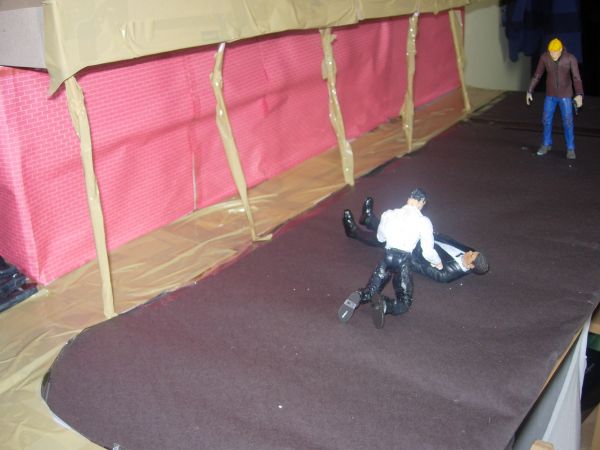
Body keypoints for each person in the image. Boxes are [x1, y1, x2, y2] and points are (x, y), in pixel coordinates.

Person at [338, 195, 488, 328]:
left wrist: (406, 258)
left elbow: (422, 267)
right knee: (396, 227)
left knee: (386, 238)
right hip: (427, 240)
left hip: (414, 251)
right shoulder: (469, 251)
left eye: (471, 255)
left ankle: (355, 231)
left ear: (470, 266)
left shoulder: (447, 273)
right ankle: (368, 220)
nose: (470, 252)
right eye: (473, 252)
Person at [526, 38, 584, 160]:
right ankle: (546, 144)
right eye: (551, 52)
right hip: (550, 95)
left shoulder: (570, 59)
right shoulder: (544, 58)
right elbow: (537, 75)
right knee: (546, 120)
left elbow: (576, 78)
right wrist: (530, 90)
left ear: (561, 49)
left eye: (555, 52)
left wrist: (579, 94)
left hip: (565, 96)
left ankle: (570, 148)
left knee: (568, 122)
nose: (553, 54)